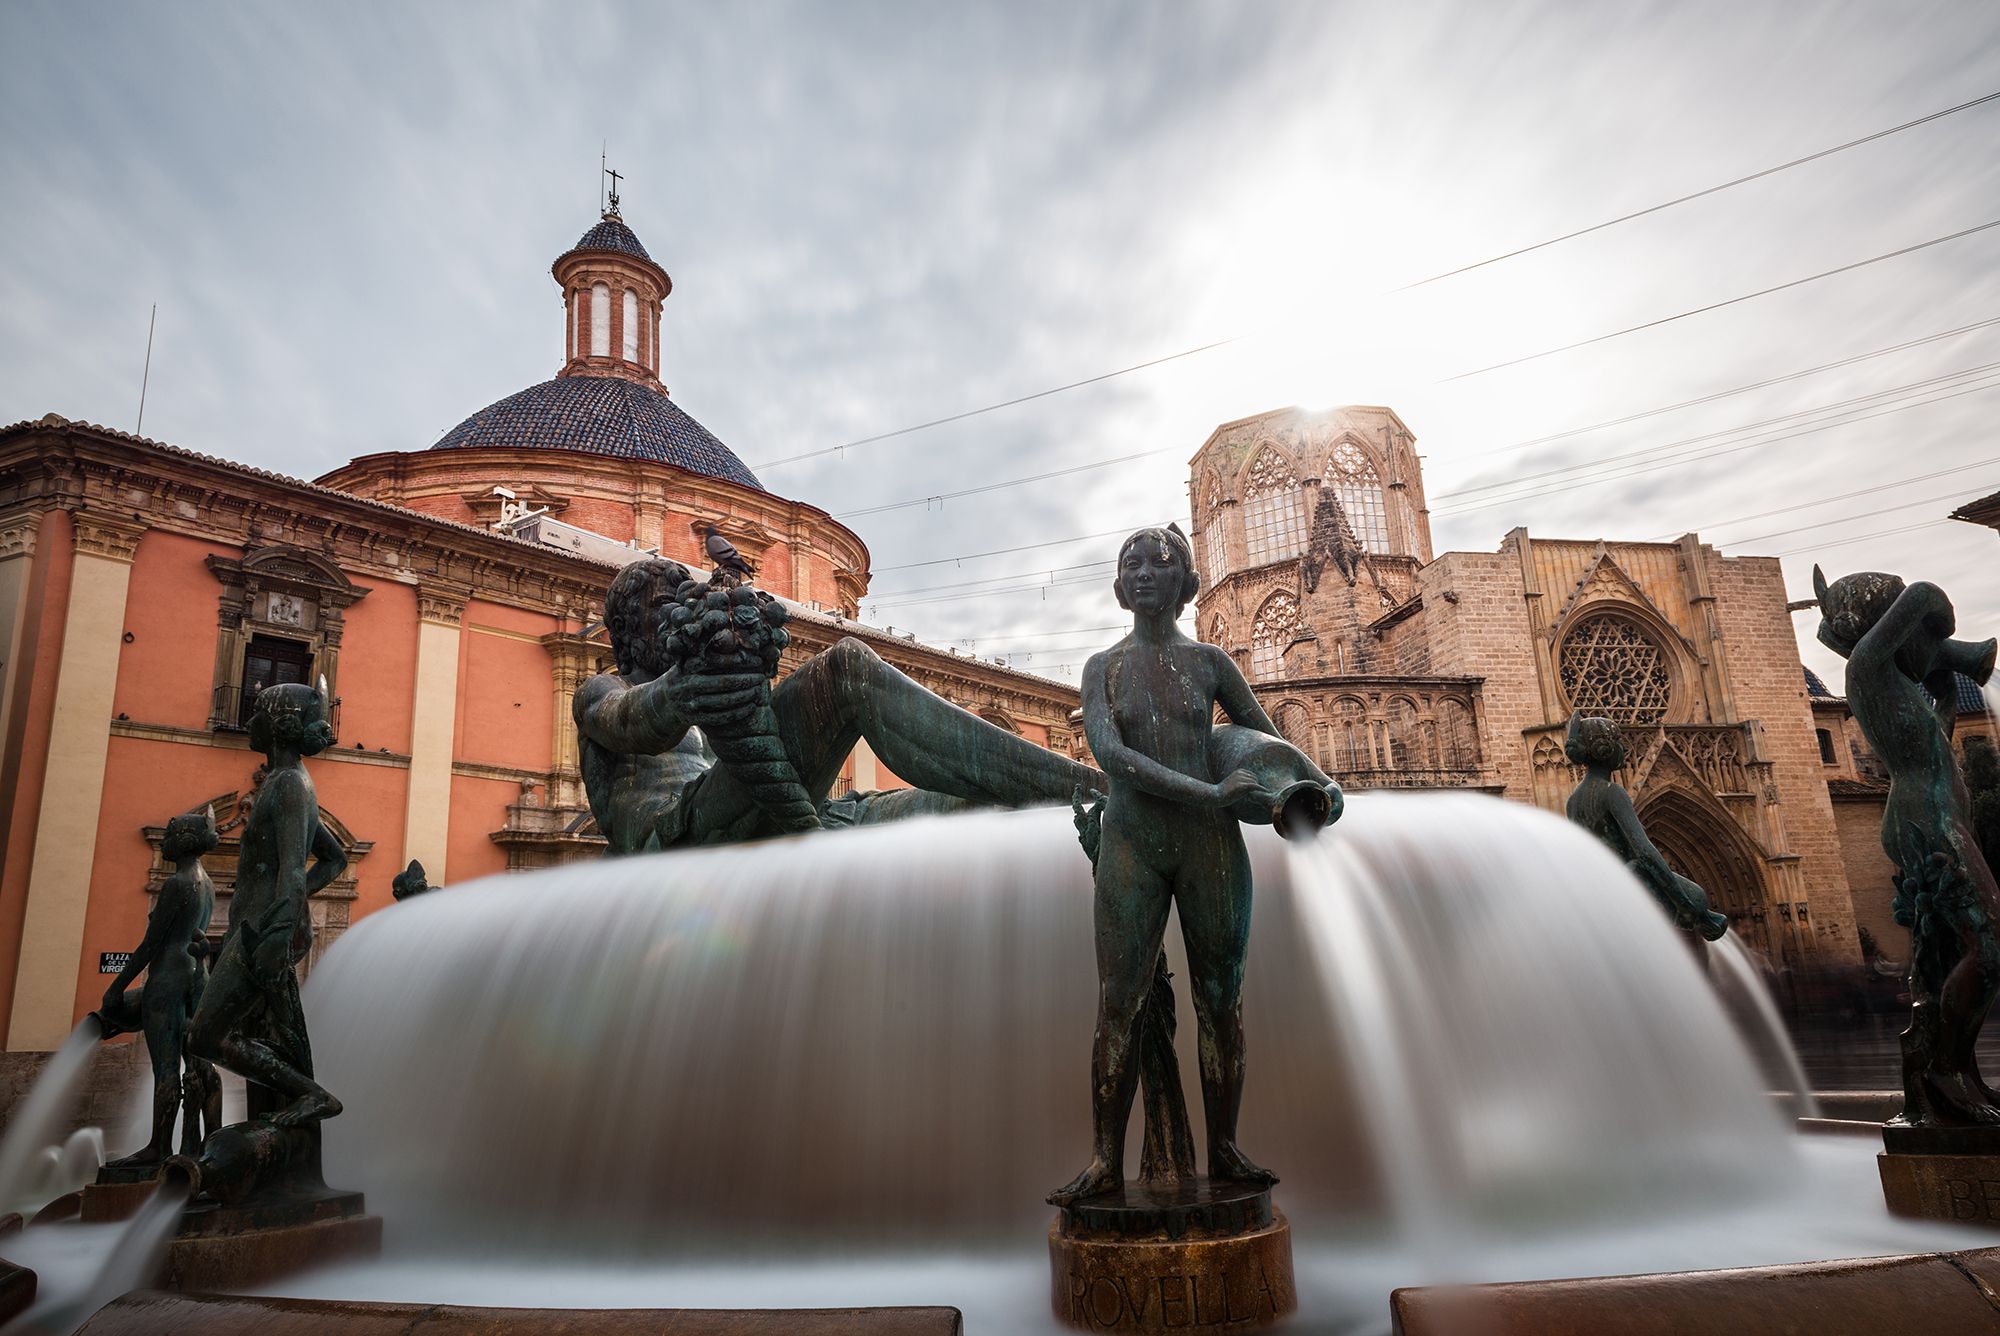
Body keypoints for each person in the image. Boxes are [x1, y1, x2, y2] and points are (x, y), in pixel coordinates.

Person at [1050, 525, 1282, 1206]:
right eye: (1132, 563)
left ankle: (1224, 1149)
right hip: (1134, 842)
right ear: (1121, 586)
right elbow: (1112, 757)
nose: (1146, 570)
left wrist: (1302, 790)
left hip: (1210, 848)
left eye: (1162, 561)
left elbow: (1262, 741)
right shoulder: (1103, 668)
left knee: (1221, 1003)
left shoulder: (1211, 663)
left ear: (1183, 581)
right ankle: (1102, 1159)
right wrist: (1212, 793)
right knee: (1118, 1003)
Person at [574, 558, 1102, 854]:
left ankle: (1087, 800)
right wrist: (684, 688)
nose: (677, 619)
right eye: (664, 607)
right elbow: (636, 724)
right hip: (676, 834)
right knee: (844, 669)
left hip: (774, 813)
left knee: (966, 804)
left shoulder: (706, 690)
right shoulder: (601, 691)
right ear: (624, 628)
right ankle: (1094, 785)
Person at [1816, 567, 2000, 1126]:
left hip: (1935, 817)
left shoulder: (1891, 684)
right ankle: (1944, 1068)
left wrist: (1944, 696)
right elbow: (1921, 594)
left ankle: (1954, 1074)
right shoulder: (1867, 668)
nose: (1928, 644)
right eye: (1917, 634)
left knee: (1942, 954)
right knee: (1990, 945)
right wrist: (1939, 627)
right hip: (1924, 823)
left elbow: (1928, 748)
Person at [187, 682, 347, 1128]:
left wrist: (281, 925)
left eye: (258, 712)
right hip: (260, 925)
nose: (251, 720)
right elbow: (336, 860)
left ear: (280, 726)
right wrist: (291, 907)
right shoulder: (286, 782)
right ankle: (270, 1126)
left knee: (203, 1035)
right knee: (267, 1037)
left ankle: (313, 1095)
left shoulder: (290, 786)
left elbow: (296, 867)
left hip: (262, 932)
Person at [95, 808, 223, 1165]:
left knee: (166, 1069)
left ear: (183, 841)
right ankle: (203, 1144)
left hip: (168, 975)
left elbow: (151, 944)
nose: (164, 842)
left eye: (169, 835)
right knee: (201, 1066)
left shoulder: (177, 883)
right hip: (197, 975)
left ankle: (158, 1148)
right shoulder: (208, 883)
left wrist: (117, 987)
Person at [1562, 712, 1729, 941]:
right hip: (1628, 884)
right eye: (1619, 741)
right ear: (1606, 749)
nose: (1625, 749)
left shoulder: (1572, 802)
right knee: (1697, 896)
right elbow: (1644, 851)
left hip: (1601, 888)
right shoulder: (1613, 793)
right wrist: (1684, 902)